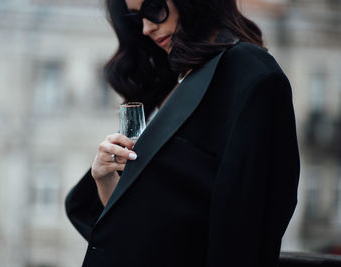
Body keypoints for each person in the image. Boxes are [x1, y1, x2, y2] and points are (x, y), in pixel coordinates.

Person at [65, 0, 300, 266]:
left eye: (153, 9)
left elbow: (246, 226)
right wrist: (105, 179)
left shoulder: (248, 73)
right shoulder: (169, 77)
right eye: (135, 17)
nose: (145, 28)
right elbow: (139, 222)